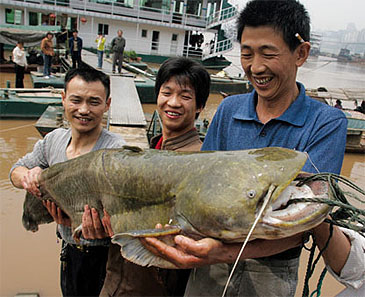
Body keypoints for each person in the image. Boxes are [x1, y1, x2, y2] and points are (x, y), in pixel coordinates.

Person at [143, 1, 363, 296]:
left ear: (301, 53)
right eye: (246, 54)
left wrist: (222, 252)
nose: (255, 67)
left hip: (271, 272)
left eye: (268, 54)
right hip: (206, 269)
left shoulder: (325, 122)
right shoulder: (228, 110)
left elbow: (304, 221)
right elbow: (200, 189)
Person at [81, 57, 211, 296]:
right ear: (157, 96)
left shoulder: (199, 161)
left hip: (152, 288)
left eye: (185, 96)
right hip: (115, 282)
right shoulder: (152, 150)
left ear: (200, 105)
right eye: (167, 92)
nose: (173, 103)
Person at [9, 68, 126, 297]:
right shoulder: (53, 140)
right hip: (69, 252)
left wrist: (104, 230)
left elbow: (127, 214)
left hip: (106, 260)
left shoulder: (117, 151)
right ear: (63, 98)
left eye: (94, 102)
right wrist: (28, 177)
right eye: (76, 100)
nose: (84, 110)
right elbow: (15, 170)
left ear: (107, 104)